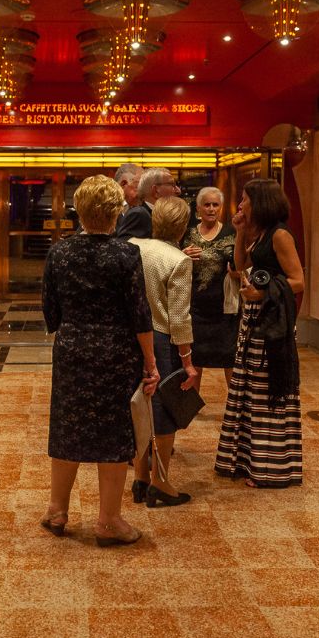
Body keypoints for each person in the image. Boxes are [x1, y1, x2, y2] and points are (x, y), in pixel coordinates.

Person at [40, 174, 158, 546]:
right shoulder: (126, 254)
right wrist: (151, 363)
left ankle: (57, 510)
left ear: (79, 210)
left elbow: (50, 312)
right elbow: (140, 315)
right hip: (116, 352)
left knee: (68, 426)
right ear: (116, 212)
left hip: (72, 349)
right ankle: (108, 521)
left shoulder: (59, 252)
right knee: (114, 434)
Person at [215, 179, 305, 488]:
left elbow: (298, 280)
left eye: (245, 199)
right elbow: (241, 266)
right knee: (251, 391)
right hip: (254, 320)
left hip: (272, 323)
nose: (240, 204)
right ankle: (248, 461)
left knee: (268, 392)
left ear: (260, 202)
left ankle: (270, 468)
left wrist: (263, 292)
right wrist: (240, 231)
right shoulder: (261, 233)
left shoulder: (280, 235)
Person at [130, 197, 201, 508]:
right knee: (164, 410)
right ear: (183, 227)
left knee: (138, 404)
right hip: (161, 339)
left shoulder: (133, 246)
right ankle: (160, 481)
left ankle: (140, 477)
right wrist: (188, 362)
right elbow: (179, 317)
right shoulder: (179, 260)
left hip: (130, 336)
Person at [182, 186, 239, 380]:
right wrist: (182, 255)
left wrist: (238, 273)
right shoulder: (187, 233)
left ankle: (234, 400)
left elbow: (243, 263)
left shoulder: (232, 232)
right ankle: (192, 401)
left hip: (225, 310)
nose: (211, 209)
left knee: (230, 359)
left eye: (215, 205)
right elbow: (172, 262)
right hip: (195, 309)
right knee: (194, 362)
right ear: (198, 208)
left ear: (221, 207)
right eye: (207, 205)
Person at [113, 162, 148, 239]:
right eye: (140, 186)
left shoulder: (146, 211)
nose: (144, 191)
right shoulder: (103, 207)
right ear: (124, 184)